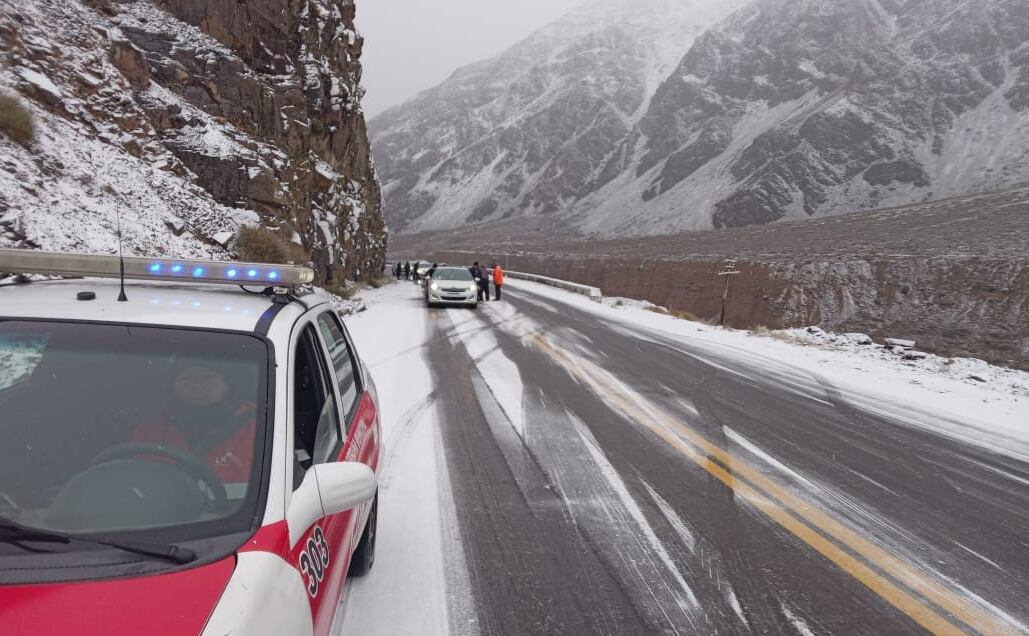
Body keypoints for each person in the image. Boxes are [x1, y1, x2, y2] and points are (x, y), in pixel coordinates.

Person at [133, 364, 256, 483]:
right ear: (173, 385)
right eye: (186, 378)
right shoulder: (150, 432)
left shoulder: (257, 425)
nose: (197, 385)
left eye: (207, 377)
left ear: (227, 382)